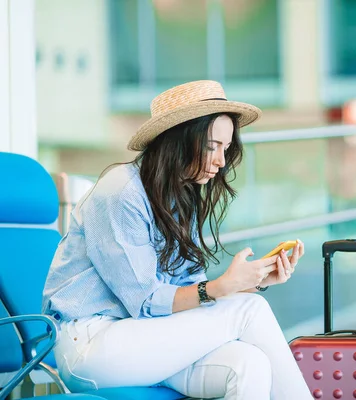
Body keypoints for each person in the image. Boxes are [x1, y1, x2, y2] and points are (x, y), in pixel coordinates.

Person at [42, 80, 313, 399]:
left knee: (249, 363)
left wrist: (253, 280)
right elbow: (144, 301)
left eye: (226, 148)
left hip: (145, 338)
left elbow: (190, 293)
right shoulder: (120, 192)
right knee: (249, 310)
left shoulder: (179, 198)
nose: (222, 161)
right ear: (180, 140)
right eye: (213, 145)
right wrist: (225, 288)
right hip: (88, 345)